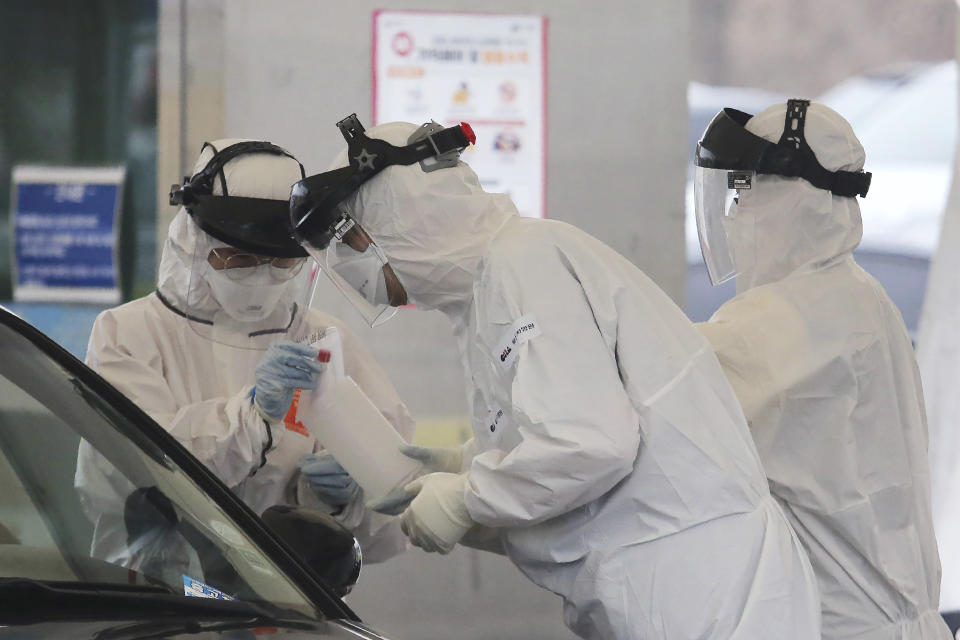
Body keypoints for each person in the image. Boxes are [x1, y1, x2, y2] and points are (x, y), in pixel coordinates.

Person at [287, 115, 820, 639]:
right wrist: (463, 463)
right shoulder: (488, 289)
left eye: (347, 242)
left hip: (700, 590)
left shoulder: (526, 264)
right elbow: (559, 428)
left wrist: (468, 495)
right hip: (669, 580)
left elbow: (592, 444)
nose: (348, 265)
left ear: (403, 216)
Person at [75, 139, 414, 569]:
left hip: (289, 605)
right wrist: (251, 419)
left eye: (280, 264)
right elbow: (130, 477)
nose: (260, 277)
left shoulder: (326, 338)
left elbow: (394, 526)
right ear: (195, 242)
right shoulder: (128, 333)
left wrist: (346, 500)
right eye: (237, 259)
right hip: (161, 598)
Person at [692, 99, 950, 639]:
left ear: (798, 199)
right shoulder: (859, 294)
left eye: (747, 193)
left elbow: (659, 393)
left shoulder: (783, 316)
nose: (735, 215)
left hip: (840, 625)